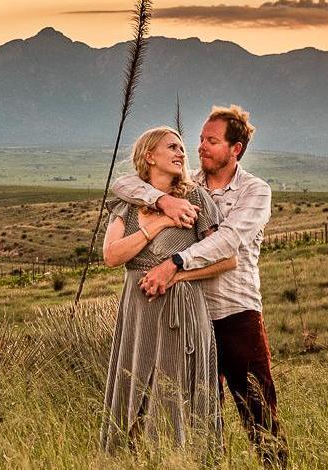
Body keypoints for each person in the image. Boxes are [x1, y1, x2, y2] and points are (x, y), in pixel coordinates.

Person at [111, 104, 286, 466]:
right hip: (191, 316)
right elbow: (124, 182)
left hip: (235, 313)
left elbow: (227, 243)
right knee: (199, 409)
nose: (201, 146)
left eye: (212, 141)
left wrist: (173, 266)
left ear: (235, 149)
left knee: (256, 406)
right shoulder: (188, 187)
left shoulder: (255, 191)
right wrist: (162, 200)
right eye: (201, 139)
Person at [98, 126, 235, 453]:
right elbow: (111, 255)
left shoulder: (195, 198)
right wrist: (158, 222)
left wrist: (175, 274)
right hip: (138, 310)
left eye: (181, 148)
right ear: (149, 156)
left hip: (182, 309)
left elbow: (227, 259)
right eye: (171, 147)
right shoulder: (128, 205)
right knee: (135, 388)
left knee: (178, 392)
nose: (181, 153)